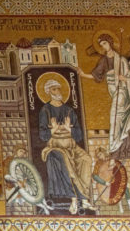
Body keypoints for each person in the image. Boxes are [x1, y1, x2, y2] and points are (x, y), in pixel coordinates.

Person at [78, 32, 130, 162]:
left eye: (105, 43)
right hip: (115, 92)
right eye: (101, 45)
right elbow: (96, 76)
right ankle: (118, 154)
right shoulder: (104, 60)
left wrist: (125, 79)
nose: (104, 46)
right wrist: (83, 75)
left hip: (124, 92)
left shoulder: (121, 60)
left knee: (125, 121)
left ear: (110, 43)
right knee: (119, 122)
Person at [37, 77, 96, 214]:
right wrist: (53, 129)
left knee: (86, 159)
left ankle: (85, 199)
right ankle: (75, 198)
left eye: (58, 88)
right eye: (54, 89)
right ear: (48, 92)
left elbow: (79, 135)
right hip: (55, 146)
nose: (57, 91)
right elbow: (42, 135)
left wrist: (70, 130)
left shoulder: (69, 110)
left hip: (71, 145)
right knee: (65, 160)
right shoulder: (45, 110)